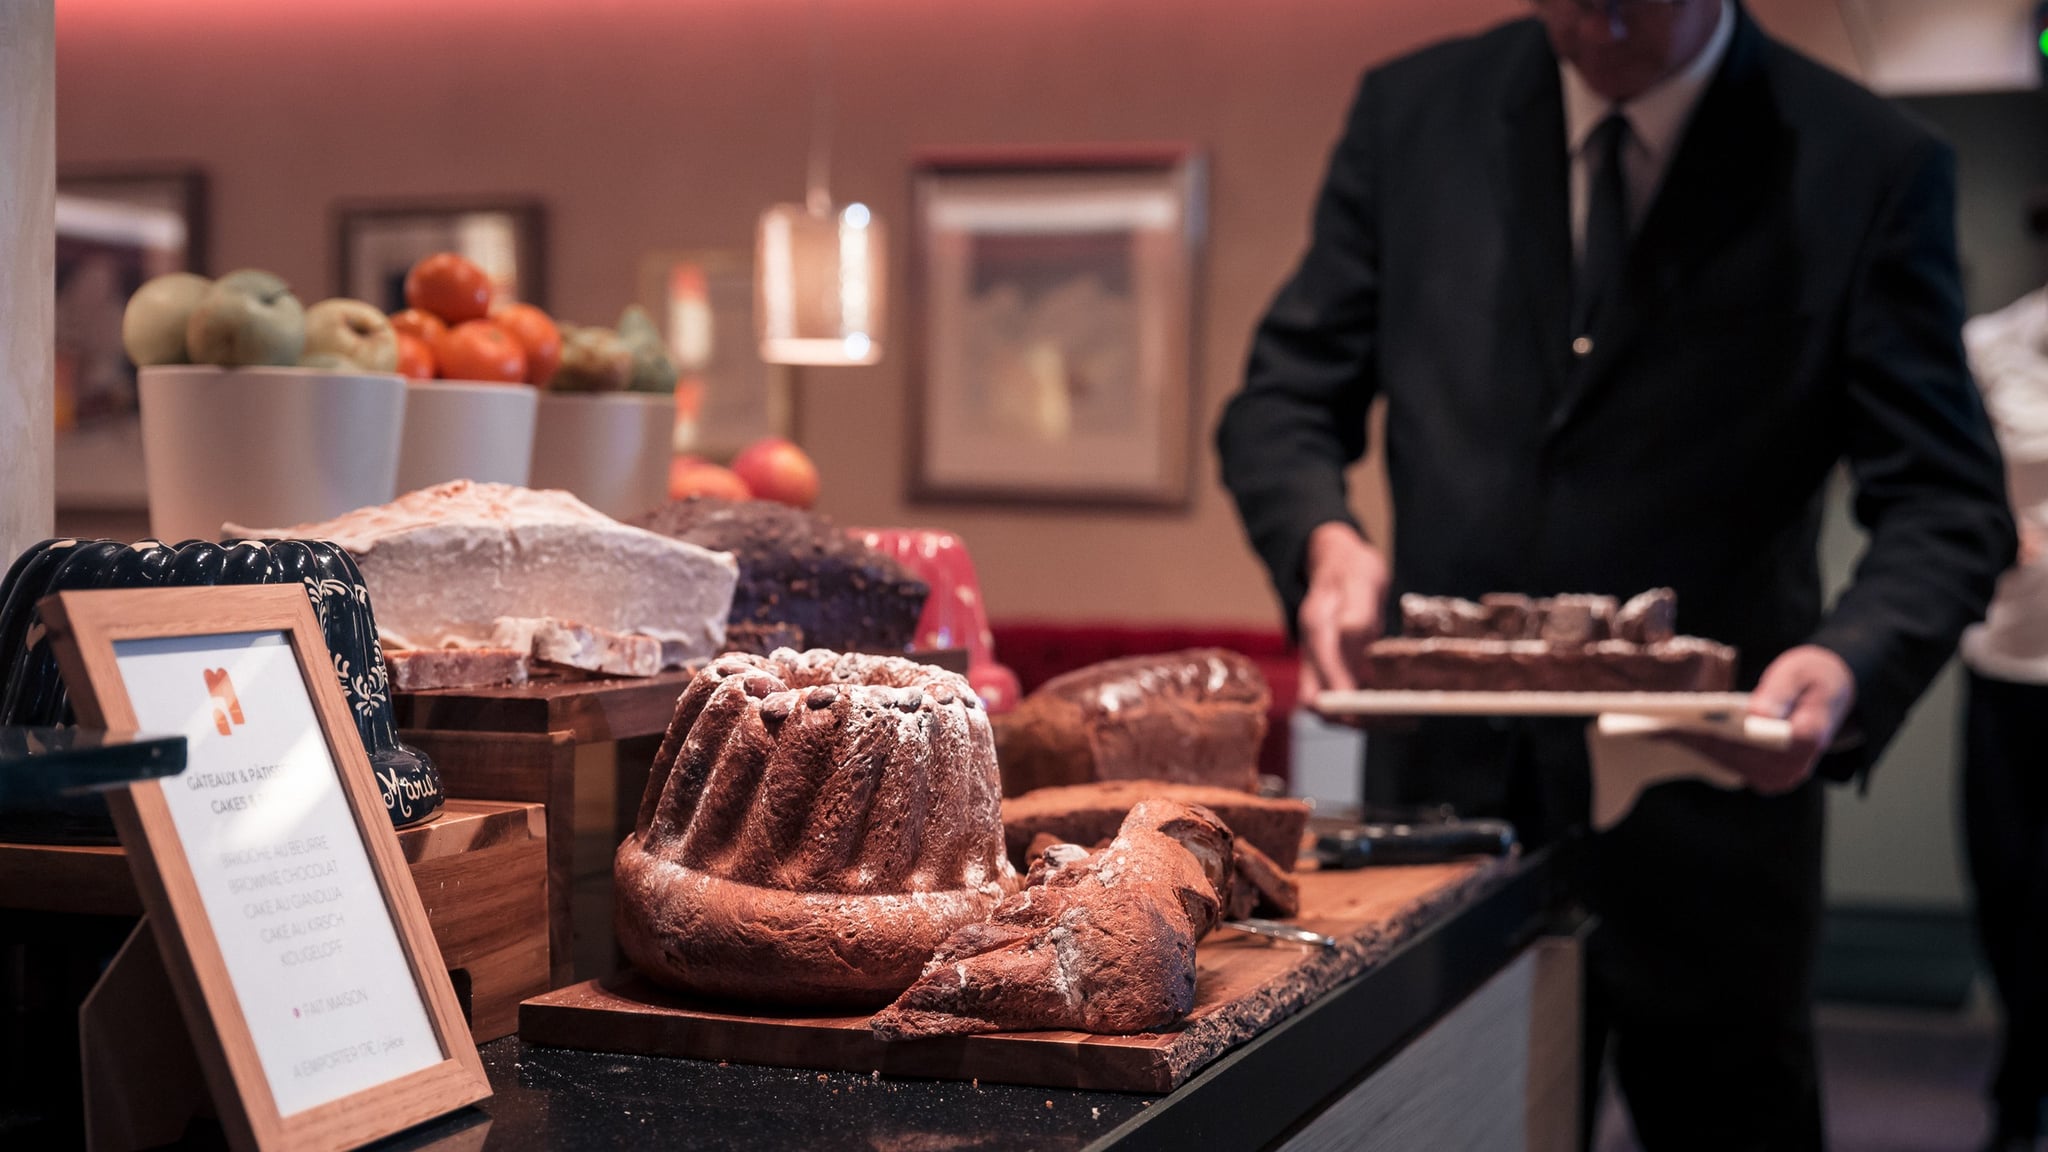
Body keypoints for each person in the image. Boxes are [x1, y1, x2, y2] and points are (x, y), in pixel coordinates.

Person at [1216, 0, 2016, 1147]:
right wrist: (1320, 543)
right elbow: (1282, 403)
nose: (1598, 19)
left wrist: (1843, 664)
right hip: (1446, 807)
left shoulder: (1867, 162)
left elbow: (1946, 503)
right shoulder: (1413, 114)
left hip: (1714, 829)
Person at [1960, 216, 2048, 1150]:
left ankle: (2017, 1099)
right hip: (2005, 662)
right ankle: (2022, 1083)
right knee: (2003, 894)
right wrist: (1990, 527)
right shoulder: (1989, 348)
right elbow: (1948, 482)